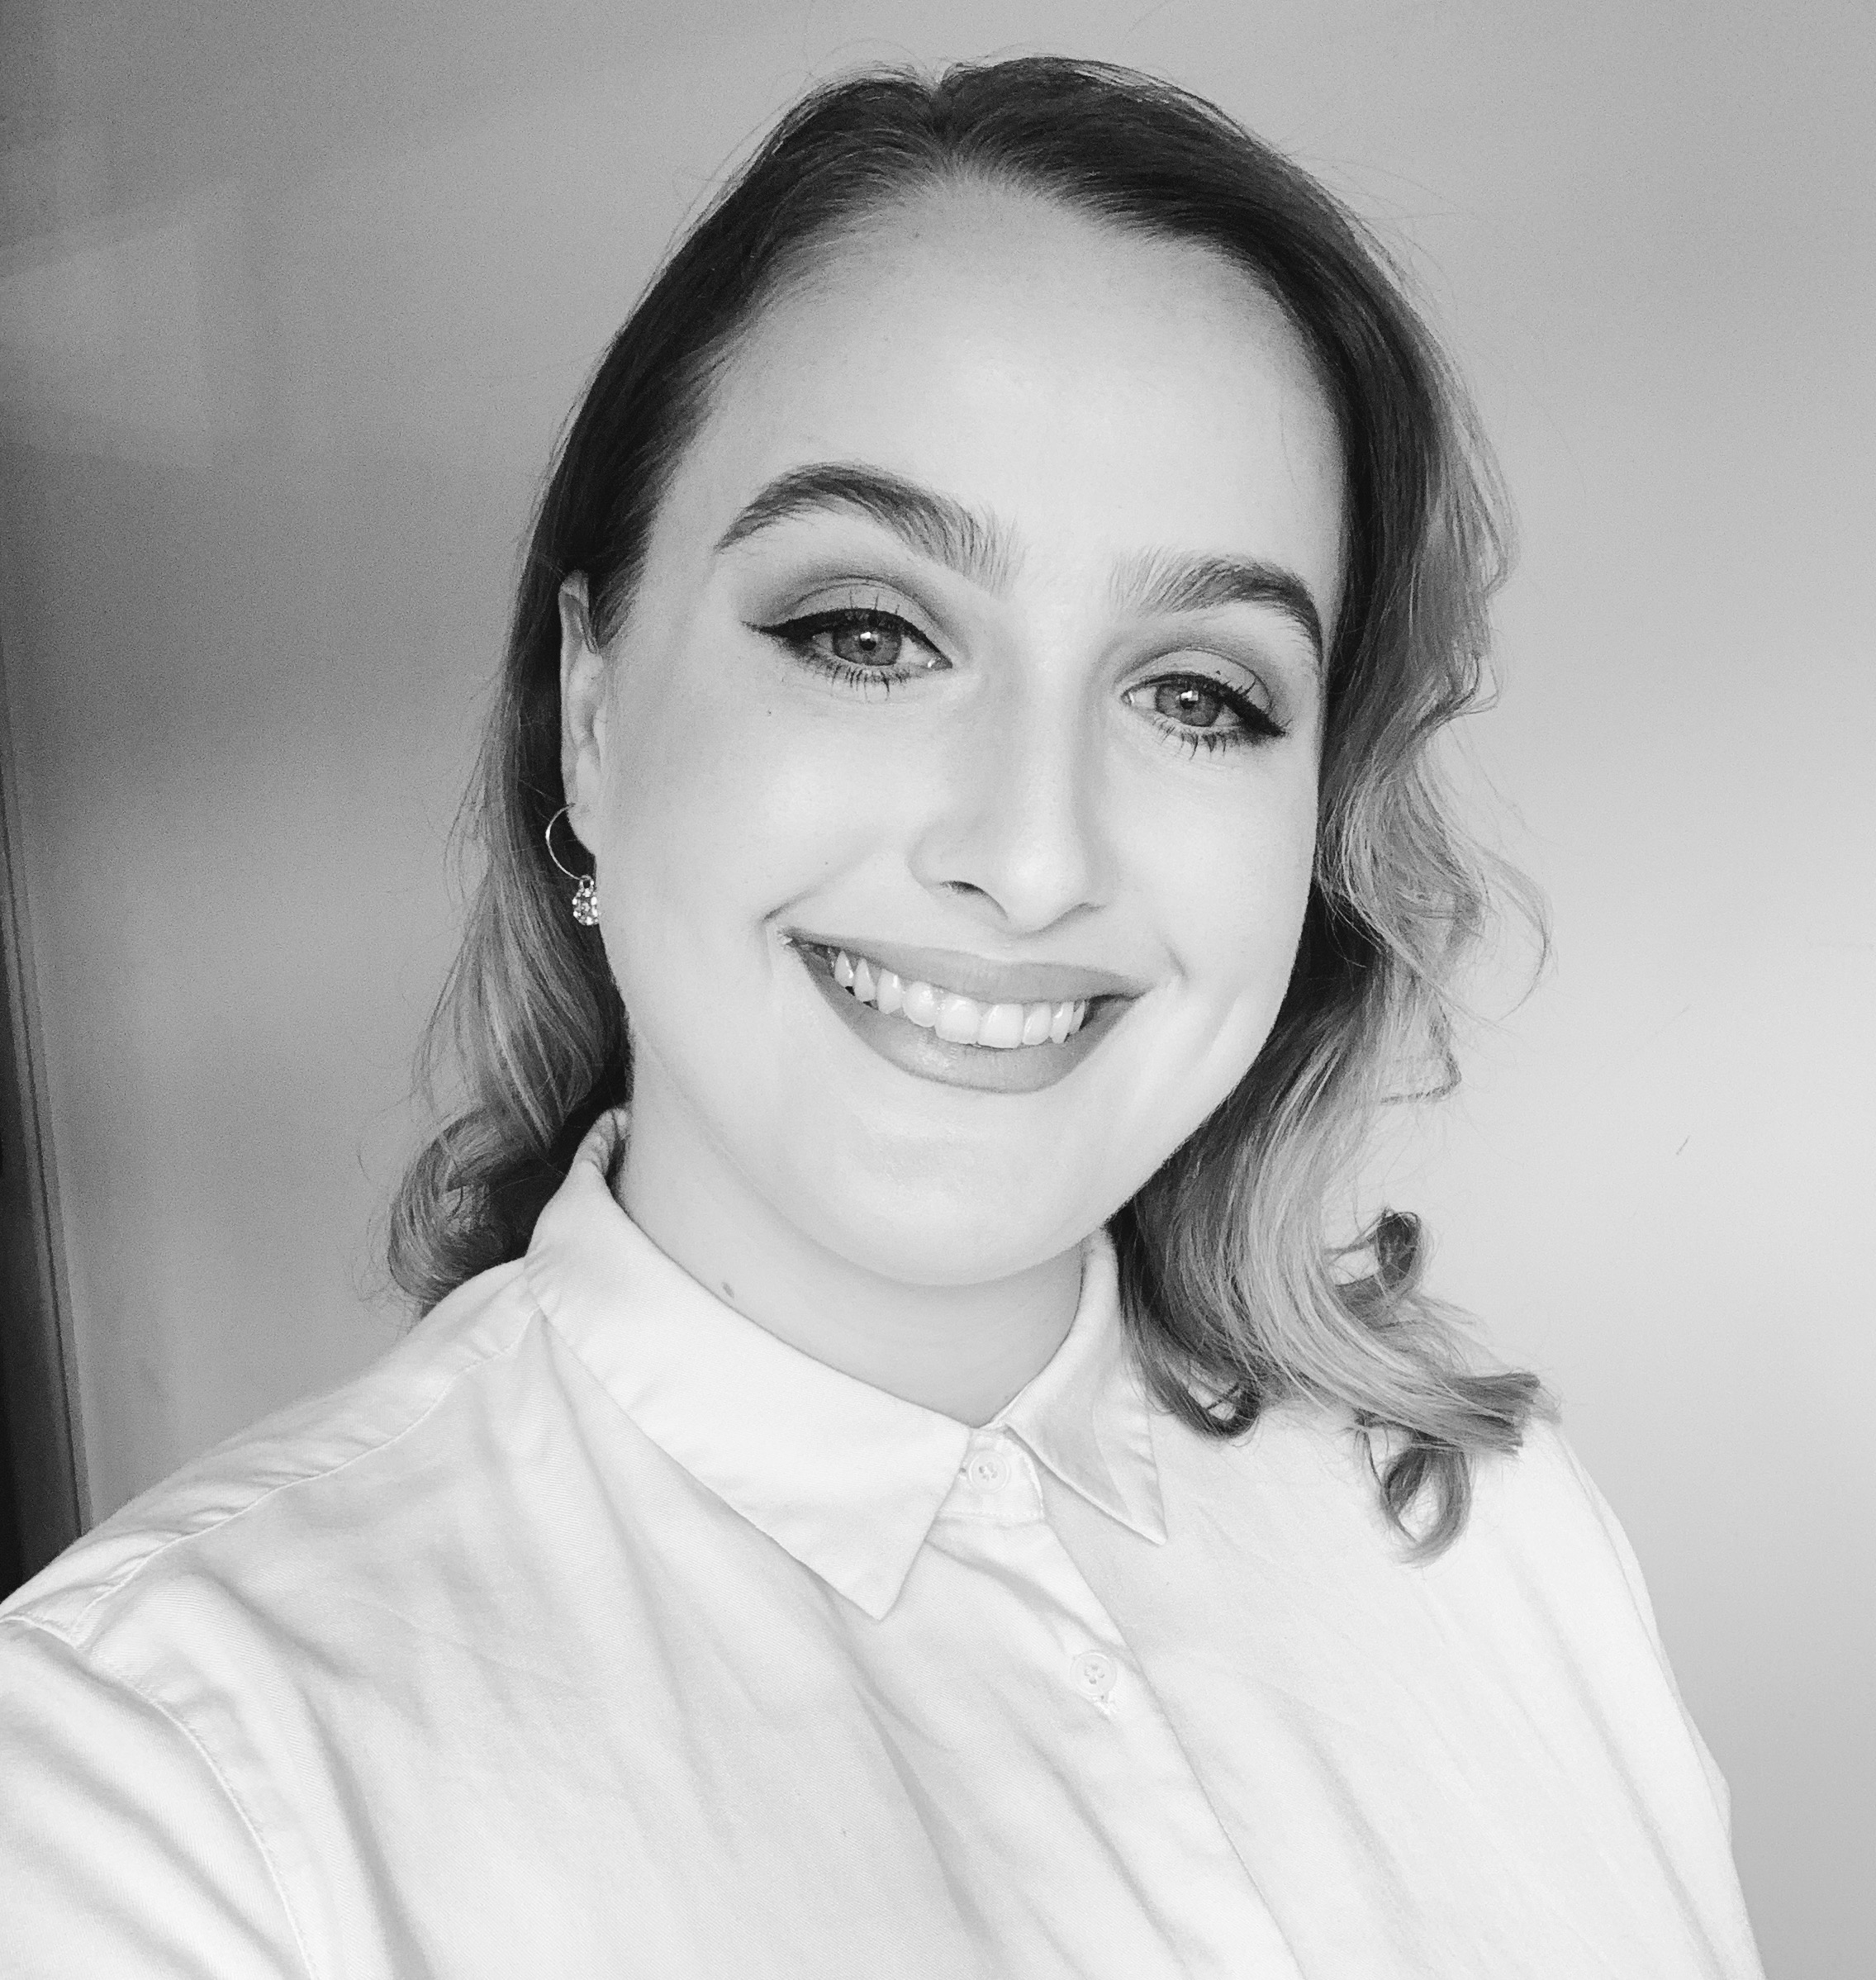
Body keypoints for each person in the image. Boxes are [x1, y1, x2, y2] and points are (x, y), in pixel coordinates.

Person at [0, 55, 1763, 1979]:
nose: (1027, 854)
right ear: (592, 716)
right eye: (865, 632)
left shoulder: (1487, 1529)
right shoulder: (136, 1778)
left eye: (1197, 692)